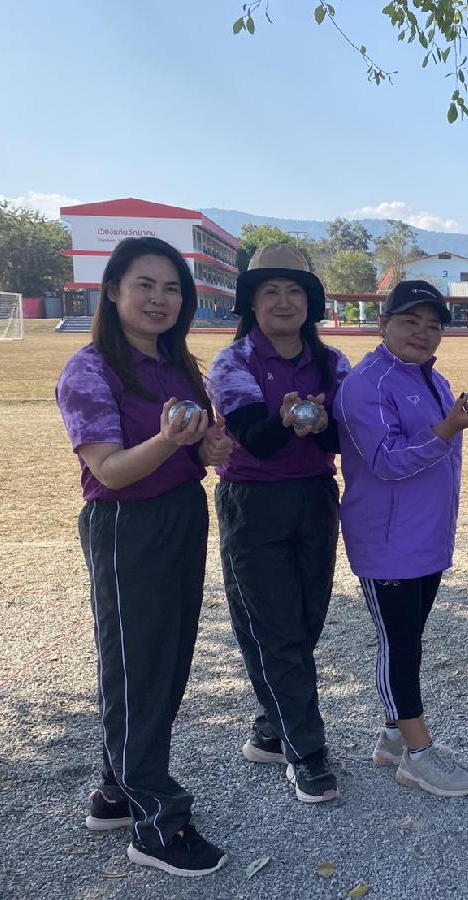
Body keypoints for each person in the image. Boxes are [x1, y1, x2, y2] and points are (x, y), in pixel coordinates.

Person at [56, 236, 233, 877]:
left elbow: (194, 447)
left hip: (181, 513)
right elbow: (110, 469)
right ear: (112, 291)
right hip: (128, 523)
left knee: (167, 656)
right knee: (138, 664)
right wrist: (167, 442)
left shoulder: (177, 363)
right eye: (145, 285)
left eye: (172, 288)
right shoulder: (90, 370)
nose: (160, 299)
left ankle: (115, 791)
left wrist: (208, 449)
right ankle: (157, 822)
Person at [335, 280, 468, 797]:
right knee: (399, 644)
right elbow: (386, 461)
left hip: (426, 537)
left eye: (433, 325)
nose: (422, 333)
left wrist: (458, 421)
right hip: (387, 541)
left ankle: (391, 737)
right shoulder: (366, 383)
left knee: (409, 639)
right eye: (410, 321)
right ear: (383, 324)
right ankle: (419, 755)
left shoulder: (434, 379)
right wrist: (448, 429)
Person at [207, 244, 349, 805]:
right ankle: (306, 751)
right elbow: (256, 440)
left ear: (310, 302)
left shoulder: (332, 362)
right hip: (254, 500)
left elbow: (347, 436)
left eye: (295, 291)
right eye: (270, 291)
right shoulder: (234, 362)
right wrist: (289, 421)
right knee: (276, 628)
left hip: (315, 497)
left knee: (307, 619)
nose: (284, 301)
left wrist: (323, 426)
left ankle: (270, 727)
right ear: (251, 302)